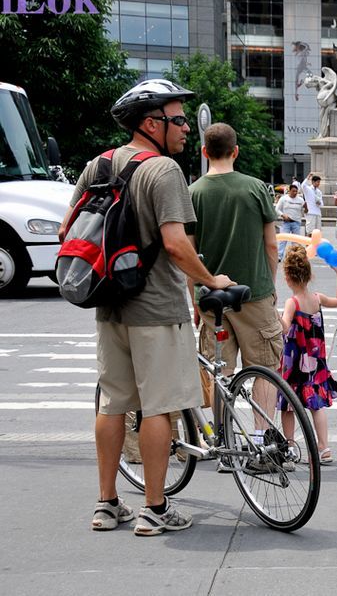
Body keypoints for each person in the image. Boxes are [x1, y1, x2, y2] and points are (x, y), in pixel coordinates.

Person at [63, 79, 234, 536]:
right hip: (157, 310)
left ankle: (106, 504)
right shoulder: (164, 172)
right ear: (150, 123)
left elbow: (68, 232)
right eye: (177, 120)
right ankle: (155, 508)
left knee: (113, 405)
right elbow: (177, 246)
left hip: (108, 307)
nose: (184, 129)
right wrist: (210, 278)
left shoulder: (97, 164)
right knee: (160, 409)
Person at [187, 122, 282, 428]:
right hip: (254, 293)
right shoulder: (255, 188)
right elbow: (271, 244)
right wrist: (270, 285)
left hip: (211, 298)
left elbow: (190, 255)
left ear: (205, 151)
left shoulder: (193, 193)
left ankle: (225, 441)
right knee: (264, 368)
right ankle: (261, 439)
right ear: (236, 151)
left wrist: (195, 302)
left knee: (221, 372)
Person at [279, 244, 337, 465]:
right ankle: (323, 447)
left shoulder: (292, 303)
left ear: (287, 276)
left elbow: (285, 328)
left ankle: (289, 447)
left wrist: (272, 311)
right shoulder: (317, 298)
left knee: (288, 406)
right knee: (316, 405)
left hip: (295, 363)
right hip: (315, 362)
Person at [275, 184, 305, 260]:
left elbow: (304, 211)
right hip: (286, 222)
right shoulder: (284, 199)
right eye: (293, 191)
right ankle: (279, 256)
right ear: (289, 191)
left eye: (296, 191)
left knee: (295, 241)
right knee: (283, 240)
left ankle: (294, 256)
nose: (295, 193)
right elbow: (277, 209)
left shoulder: (300, 200)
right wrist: (283, 215)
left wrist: (306, 208)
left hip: (296, 222)